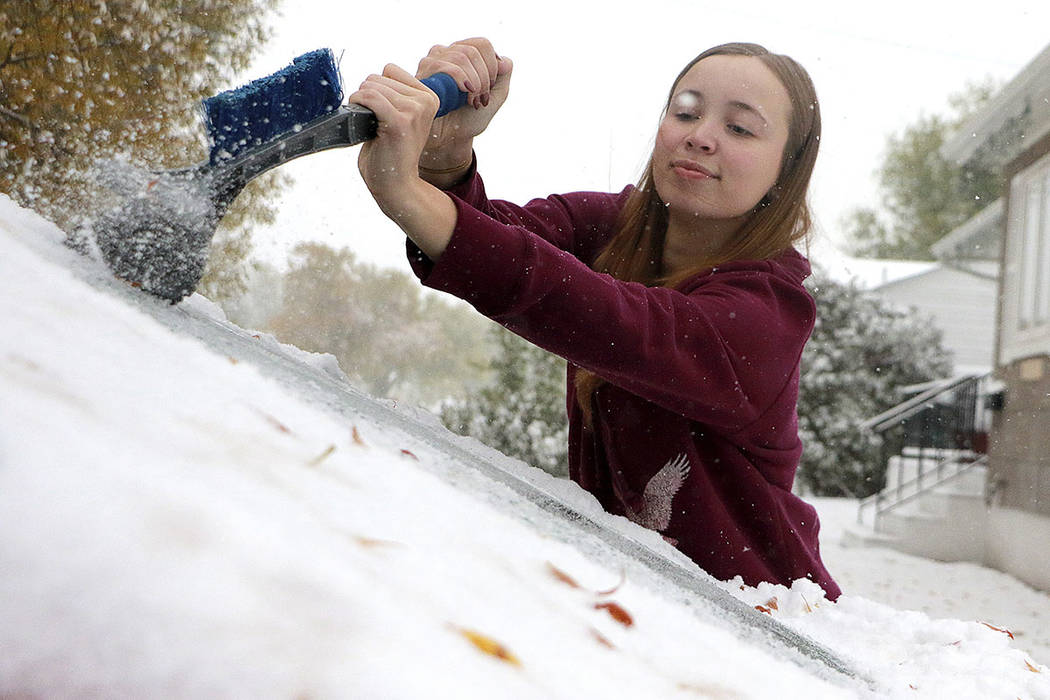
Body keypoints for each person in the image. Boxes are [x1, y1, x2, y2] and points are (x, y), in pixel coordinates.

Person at [350, 38, 841, 600]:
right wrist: (444, 152)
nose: (699, 135)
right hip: (625, 595)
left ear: (788, 170)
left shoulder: (767, 311)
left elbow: (611, 320)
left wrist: (407, 192)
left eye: (740, 129)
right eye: (685, 111)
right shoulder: (608, 227)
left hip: (765, 622)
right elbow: (487, 240)